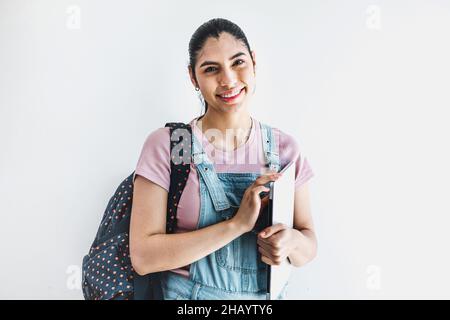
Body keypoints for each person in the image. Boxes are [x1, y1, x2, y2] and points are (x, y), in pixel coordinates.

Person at [129, 18, 317, 300]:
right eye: (211, 69)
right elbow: (143, 258)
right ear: (193, 77)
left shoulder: (284, 148)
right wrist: (237, 225)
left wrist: (290, 243)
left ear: (254, 62)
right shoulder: (169, 146)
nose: (228, 79)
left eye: (238, 62)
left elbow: (308, 247)